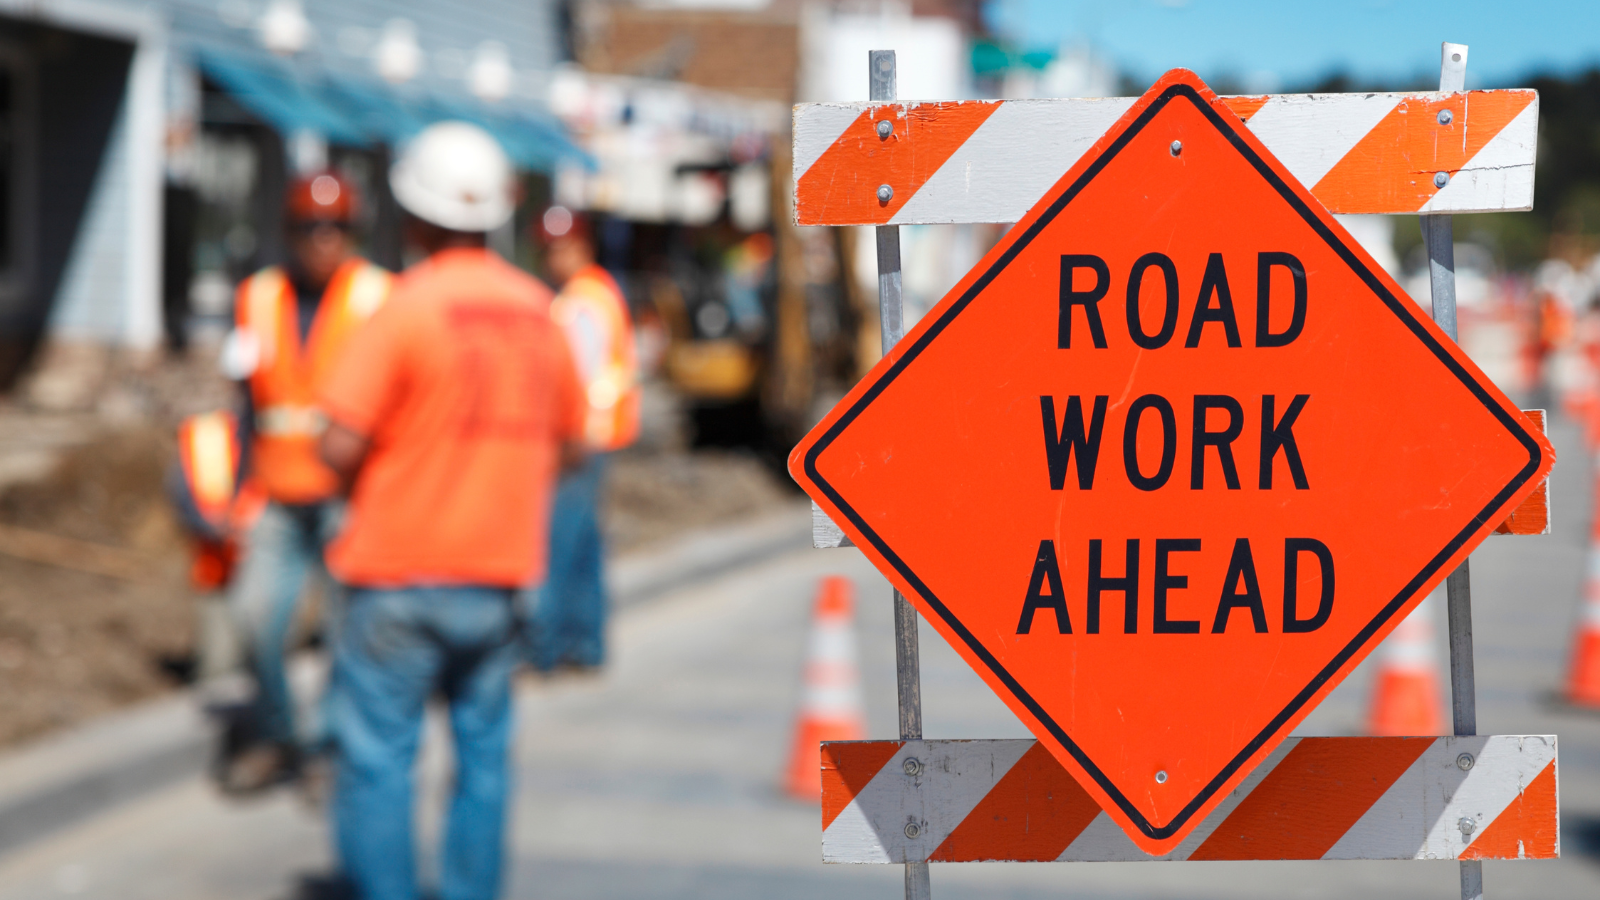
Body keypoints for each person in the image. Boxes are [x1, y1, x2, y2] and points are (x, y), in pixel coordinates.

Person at [318, 122, 584, 900]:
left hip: (396, 572)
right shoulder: (538, 311)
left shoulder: (406, 309)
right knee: (485, 760)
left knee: (378, 760)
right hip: (497, 576)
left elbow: (338, 443)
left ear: (414, 217)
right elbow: (574, 444)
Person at [217, 172, 393, 792]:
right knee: (255, 619)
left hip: (349, 491)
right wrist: (234, 487)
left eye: (335, 228)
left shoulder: (379, 296)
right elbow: (245, 400)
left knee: (347, 629)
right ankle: (277, 734)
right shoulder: (259, 297)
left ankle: (326, 747)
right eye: (311, 228)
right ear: (290, 231)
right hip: (275, 489)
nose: (324, 240)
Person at [526, 206, 640, 672]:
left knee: (559, 542)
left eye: (562, 249)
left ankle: (547, 646)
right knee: (585, 541)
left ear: (583, 247)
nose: (554, 259)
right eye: (549, 250)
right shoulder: (600, 291)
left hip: (579, 438)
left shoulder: (579, 302)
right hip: (598, 434)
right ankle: (585, 644)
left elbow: (573, 376)